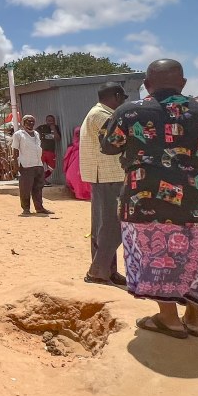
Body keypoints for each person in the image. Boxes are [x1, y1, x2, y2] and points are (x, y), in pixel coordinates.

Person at [100, 59, 198, 340]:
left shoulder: (129, 112)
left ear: (147, 85)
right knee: (196, 257)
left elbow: (108, 146)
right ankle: (195, 318)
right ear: (184, 83)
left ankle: (168, 318)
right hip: (197, 201)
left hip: (144, 201)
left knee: (154, 255)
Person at [80, 83, 128, 286]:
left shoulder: (97, 113)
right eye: (123, 98)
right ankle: (98, 271)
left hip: (106, 176)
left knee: (104, 226)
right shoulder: (101, 115)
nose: (124, 102)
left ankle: (106, 270)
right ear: (116, 96)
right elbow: (123, 138)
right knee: (111, 226)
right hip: (108, 176)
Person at [13, 114, 51, 216]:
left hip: (38, 164)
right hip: (26, 165)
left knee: (38, 187)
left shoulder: (36, 134)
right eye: (28, 121)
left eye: (32, 121)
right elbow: (15, 151)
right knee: (25, 188)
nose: (31, 123)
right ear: (23, 123)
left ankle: (39, 208)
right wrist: (16, 165)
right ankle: (26, 209)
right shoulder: (18, 135)